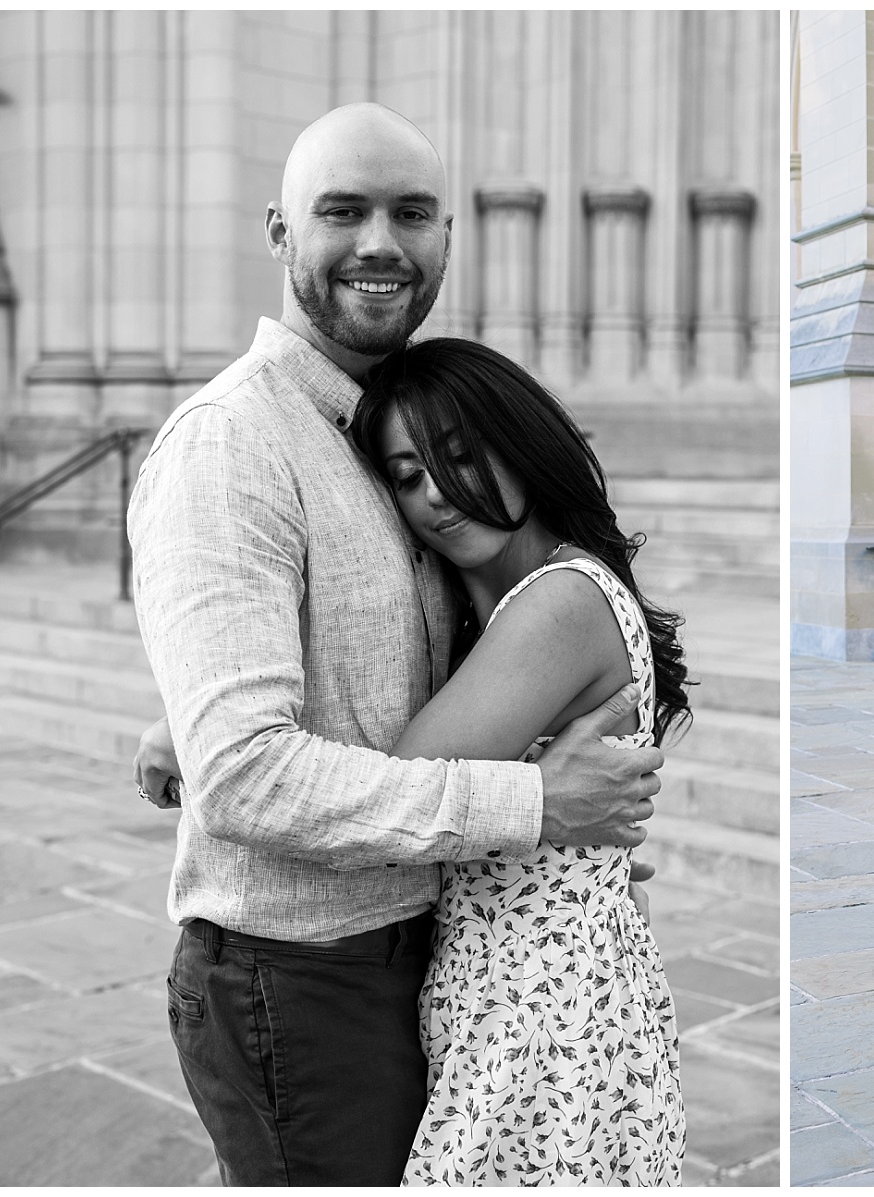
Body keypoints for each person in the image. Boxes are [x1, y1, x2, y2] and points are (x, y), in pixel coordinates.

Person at [128, 103, 662, 1186]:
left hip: (413, 958)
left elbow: (371, 671)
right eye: (344, 210)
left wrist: (191, 716)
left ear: (447, 239)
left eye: (411, 213)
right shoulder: (233, 444)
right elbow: (245, 778)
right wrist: (538, 809)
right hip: (302, 976)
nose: (381, 241)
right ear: (281, 233)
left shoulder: (376, 429)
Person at [355, 339, 688, 1184]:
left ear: (521, 444)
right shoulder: (508, 607)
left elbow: (395, 797)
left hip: (541, 1009)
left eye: (459, 456)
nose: (433, 492)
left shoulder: (559, 602)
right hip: (528, 989)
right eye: (404, 474)